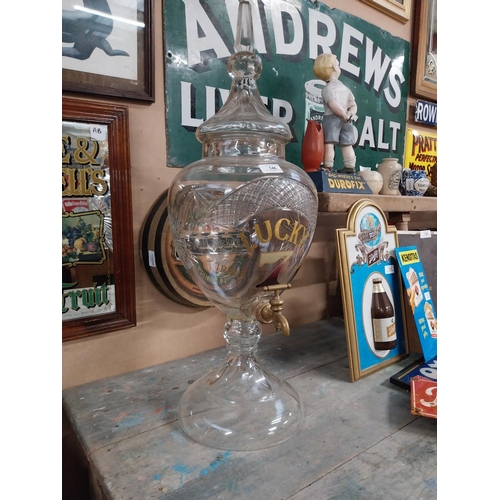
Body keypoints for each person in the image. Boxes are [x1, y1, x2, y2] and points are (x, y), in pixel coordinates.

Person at [313, 53, 358, 173]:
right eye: (337, 64)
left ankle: (328, 166)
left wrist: (347, 114)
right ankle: (349, 166)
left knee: (330, 142)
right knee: (345, 143)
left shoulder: (328, 88)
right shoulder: (342, 88)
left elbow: (334, 104)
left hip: (334, 118)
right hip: (344, 119)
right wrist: (349, 114)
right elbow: (350, 104)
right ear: (333, 67)